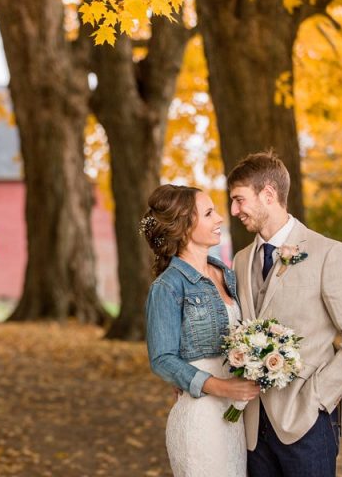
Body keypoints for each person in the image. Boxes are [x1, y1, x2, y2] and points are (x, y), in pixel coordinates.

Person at [227, 151, 342, 477]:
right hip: (253, 426)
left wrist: (318, 397)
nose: (234, 211)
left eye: (239, 200)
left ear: (268, 194)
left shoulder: (328, 254)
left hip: (307, 422)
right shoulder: (240, 260)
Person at [143, 184, 260, 477]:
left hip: (234, 421)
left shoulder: (227, 274)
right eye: (209, 213)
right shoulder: (168, 287)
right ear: (184, 228)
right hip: (200, 420)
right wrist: (221, 387)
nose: (220, 218)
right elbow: (162, 359)